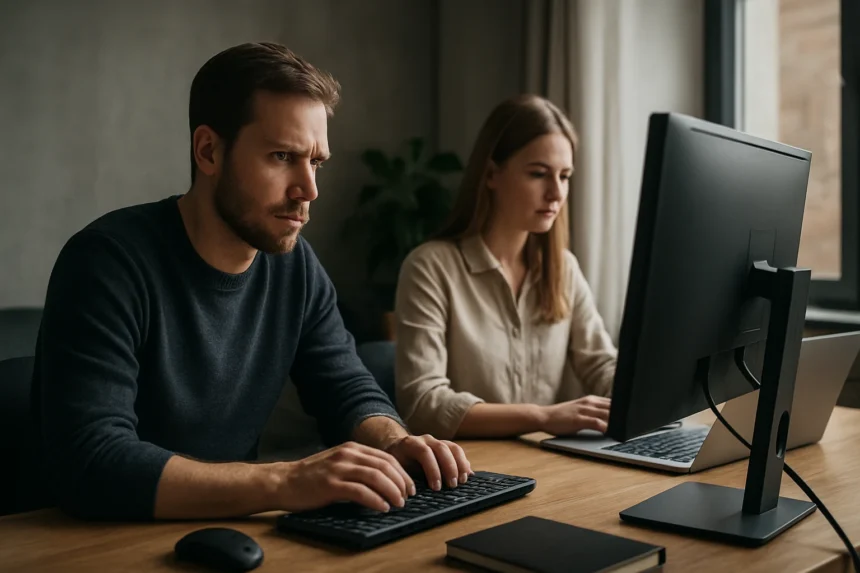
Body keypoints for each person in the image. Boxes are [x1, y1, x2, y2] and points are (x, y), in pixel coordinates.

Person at [33, 42, 472, 521]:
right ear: (208, 151)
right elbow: (94, 461)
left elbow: (344, 386)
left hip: (229, 532)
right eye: (283, 156)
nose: (309, 190)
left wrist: (397, 443)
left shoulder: (295, 265)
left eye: (316, 161)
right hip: (101, 543)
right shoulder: (107, 263)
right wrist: (285, 480)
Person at [394, 94, 616, 440]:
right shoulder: (431, 268)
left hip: (549, 467)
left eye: (565, 176)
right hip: (466, 472)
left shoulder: (564, 269)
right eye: (539, 174)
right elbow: (424, 404)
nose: (556, 193)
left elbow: (602, 365)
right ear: (492, 174)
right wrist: (542, 416)